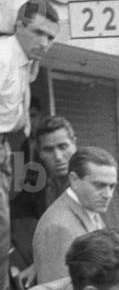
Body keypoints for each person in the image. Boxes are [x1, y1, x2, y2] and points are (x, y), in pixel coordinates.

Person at [1, 0, 59, 290]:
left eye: (50, 37)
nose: (44, 42)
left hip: (8, 148)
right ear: (19, 26)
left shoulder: (27, 63)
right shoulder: (3, 56)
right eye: (38, 32)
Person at [33, 147, 117, 283]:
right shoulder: (58, 226)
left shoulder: (90, 208)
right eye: (99, 185)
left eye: (112, 186)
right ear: (74, 180)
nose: (108, 195)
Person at [10, 114, 78, 277]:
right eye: (48, 150)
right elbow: (16, 212)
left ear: (74, 144)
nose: (58, 157)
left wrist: (39, 265)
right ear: (39, 152)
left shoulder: (90, 180)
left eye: (63, 147)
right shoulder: (37, 182)